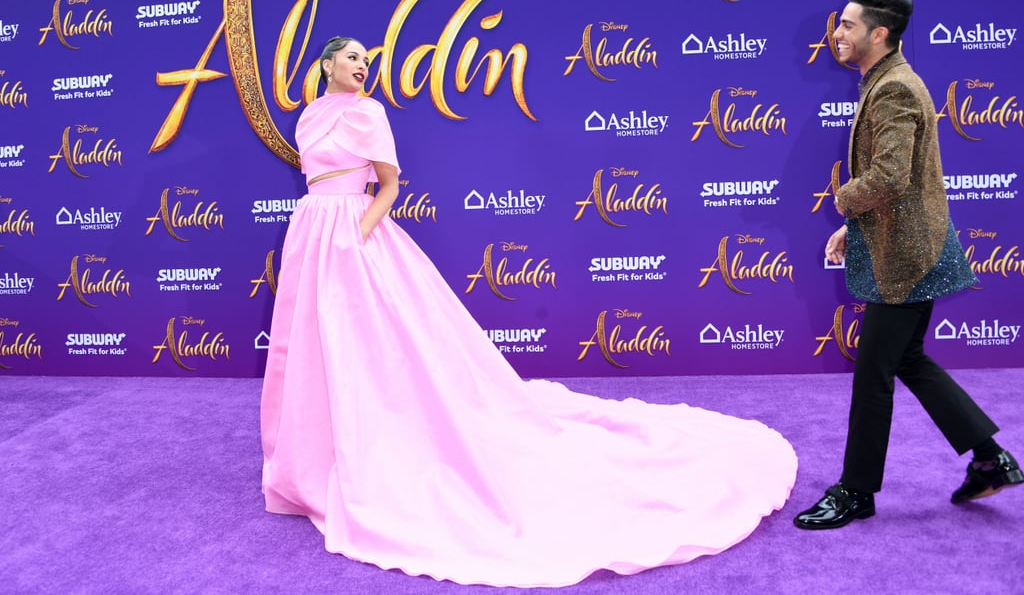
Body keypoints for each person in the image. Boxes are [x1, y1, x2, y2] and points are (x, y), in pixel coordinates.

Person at [259, 36, 799, 586]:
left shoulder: (369, 113)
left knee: (373, 346)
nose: (361, 67)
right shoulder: (307, 117)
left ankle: (375, 445)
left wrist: (359, 233)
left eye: (367, 61)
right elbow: (316, 182)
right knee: (309, 344)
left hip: (355, 235)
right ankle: (314, 456)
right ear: (327, 64)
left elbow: (390, 185)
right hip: (311, 232)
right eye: (352, 58)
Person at [794, 0, 1022, 531]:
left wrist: (843, 202)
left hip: (907, 257)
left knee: (874, 371)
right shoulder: (886, 80)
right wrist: (855, 226)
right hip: (910, 242)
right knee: (908, 360)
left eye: (848, 25)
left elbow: (891, 176)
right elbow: (898, 180)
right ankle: (991, 459)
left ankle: (855, 491)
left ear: (879, 34)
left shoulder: (894, 88)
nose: (837, 33)